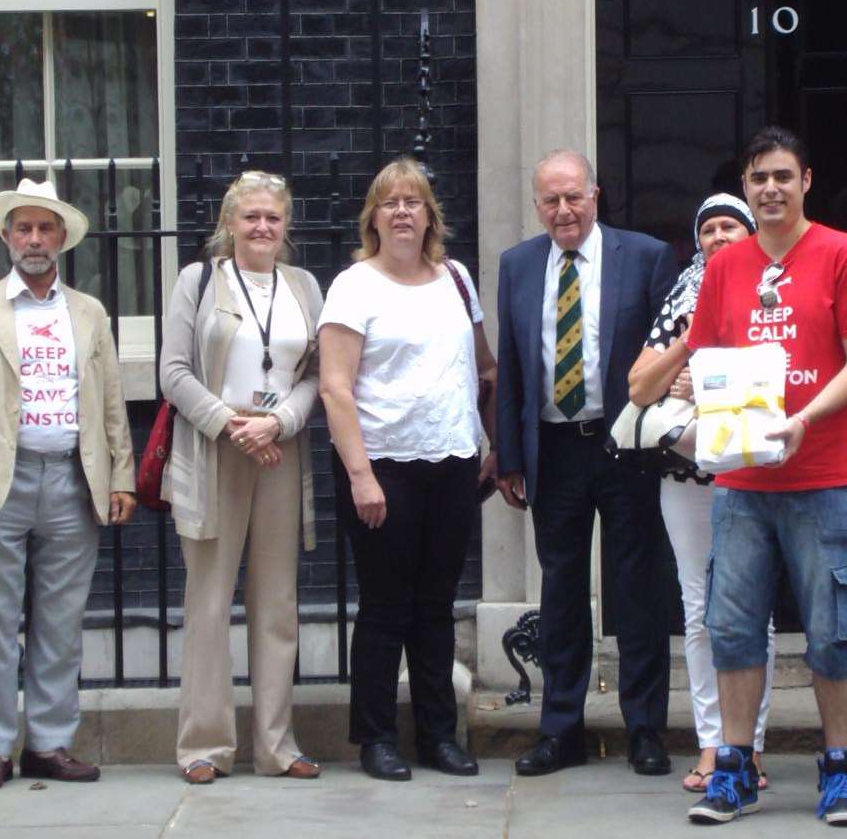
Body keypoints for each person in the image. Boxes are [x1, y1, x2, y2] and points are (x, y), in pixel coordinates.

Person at [683, 126, 847, 827]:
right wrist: (705, 403)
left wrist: (804, 416)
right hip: (743, 481)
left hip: (824, 472)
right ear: (744, 187)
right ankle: (733, 768)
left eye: (781, 176)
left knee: (833, 630)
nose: (769, 188)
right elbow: (707, 357)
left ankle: (838, 769)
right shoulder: (724, 266)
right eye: (757, 178)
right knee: (732, 627)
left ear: (805, 181)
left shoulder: (842, 253)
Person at [0, 178, 136, 792]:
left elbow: (112, 403)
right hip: (0, 482)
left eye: (46, 228)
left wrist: (120, 473)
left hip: (74, 480)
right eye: (24, 228)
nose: (35, 239)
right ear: (7, 237)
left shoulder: (88, 312)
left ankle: (48, 743)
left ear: (63, 238)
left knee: (61, 622)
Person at [496, 149, 677, 778]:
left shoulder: (646, 256)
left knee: (638, 590)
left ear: (595, 196)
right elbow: (512, 368)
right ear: (537, 204)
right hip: (554, 448)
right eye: (551, 200)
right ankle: (560, 730)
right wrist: (510, 458)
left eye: (574, 197)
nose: (564, 210)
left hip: (625, 444)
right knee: (563, 593)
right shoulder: (517, 265)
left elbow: (665, 351)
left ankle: (646, 729)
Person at [318, 157, 495, 782]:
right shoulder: (353, 286)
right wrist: (361, 475)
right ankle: (375, 737)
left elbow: (483, 368)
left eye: (412, 202)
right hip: (381, 465)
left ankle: (438, 736)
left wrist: (490, 442)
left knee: (436, 605)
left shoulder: (456, 278)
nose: (401, 211)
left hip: (451, 462)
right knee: (386, 606)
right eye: (389, 202)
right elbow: (335, 388)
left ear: (428, 216)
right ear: (373, 217)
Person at [160, 170, 323, 784]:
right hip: (215, 447)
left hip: (278, 449)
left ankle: (276, 745)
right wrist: (231, 423)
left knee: (277, 601)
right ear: (229, 223)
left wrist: (277, 422)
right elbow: (173, 372)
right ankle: (203, 745)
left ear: (286, 227)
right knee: (208, 600)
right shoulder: (198, 282)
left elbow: (315, 373)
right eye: (251, 216)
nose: (262, 227)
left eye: (273, 218)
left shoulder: (304, 285)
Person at [626, 193, 775, 793]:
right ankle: (713, 744)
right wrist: (686, 350)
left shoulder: (772, 291)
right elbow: (640, 386)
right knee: (698, 612)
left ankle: (752, 747)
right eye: (708, 228)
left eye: (730, 226)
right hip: (686, 478)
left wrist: (708, 382)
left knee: (752, 615)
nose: (718, 236)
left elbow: (783, 371)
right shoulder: (682, 296)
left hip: (753, 475)